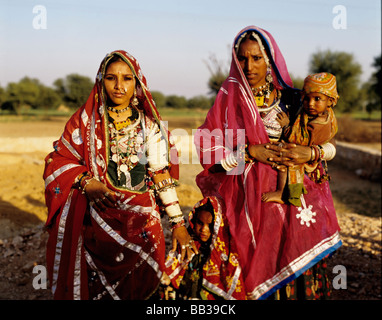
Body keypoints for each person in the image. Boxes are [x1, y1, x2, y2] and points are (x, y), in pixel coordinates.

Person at [194, 26, 342, 300]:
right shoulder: (228, 98)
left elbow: (330, 145)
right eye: (242, 58)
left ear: (270, 59)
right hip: (249, 202)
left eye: (256, 58)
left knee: (297, 269)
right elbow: (208, 149)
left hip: (296, 203)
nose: (248, 66)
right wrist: (249, 151)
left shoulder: (294, 99)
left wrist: (309, 155)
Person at [43, 50, 197, 300]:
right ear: (100, 80)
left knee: (144, 288)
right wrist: (86, 182)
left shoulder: (150, 126)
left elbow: (160, 175)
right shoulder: (85, 122)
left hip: (144, 225)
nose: (119, 86)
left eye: (127, 78)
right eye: (111, 77)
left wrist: (178, 224)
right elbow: (58, 159)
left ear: (137, 83)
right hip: (98, 224)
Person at [262, 72, 339, 206]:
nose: (310, 104)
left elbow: (300, 141)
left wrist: (286, 126)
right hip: (305, 149)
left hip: (303, 154)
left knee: (284, 161)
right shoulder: (319, 114)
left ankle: (282, 193)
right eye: (306, 98)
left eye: (317, 99)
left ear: (330, 101)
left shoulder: (320, 124)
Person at [162, 196, 247, 300]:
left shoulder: (226, 257)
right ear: (193, 220)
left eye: (210, 225)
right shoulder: (187, 244)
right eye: (200, 223)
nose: (204, 229)